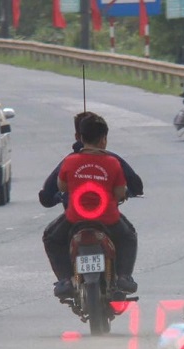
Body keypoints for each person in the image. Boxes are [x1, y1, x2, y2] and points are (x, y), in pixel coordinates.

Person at [40, 113, 141, 299]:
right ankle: (124, 277)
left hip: (74, 218)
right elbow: (120, 192)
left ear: (80, 137)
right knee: (129, 236)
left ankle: (65, 280)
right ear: (104, 140)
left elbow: (61, 187)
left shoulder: (69, 161)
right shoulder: (113, 162)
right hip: (108, 219)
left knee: (50, 237)